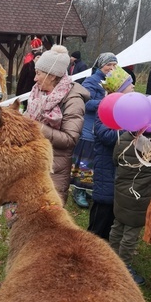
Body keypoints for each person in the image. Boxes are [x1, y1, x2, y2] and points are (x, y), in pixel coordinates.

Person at [25, 44, 89, 205]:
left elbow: (70, 138)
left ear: (52, 76)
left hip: (53, 171)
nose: (35, 78)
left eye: (38, 73)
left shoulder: (73, 100)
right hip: (31, 165)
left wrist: (38, 128)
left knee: (45, 222)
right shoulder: (37, 92)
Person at [87, 67, 135, 240]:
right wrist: (129, 130)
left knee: (113, 208)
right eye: (130, 84)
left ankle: (106, 244)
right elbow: (106, 135)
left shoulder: (127, 108)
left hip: (119, 167)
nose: (134, 87)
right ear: (120, 90)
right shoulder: (105, 108)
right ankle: (92, 243)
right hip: (106, 165)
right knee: (103, 208)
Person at [109, 131, 151, 286]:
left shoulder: (123, 137)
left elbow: (115, 159)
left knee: (117, 225)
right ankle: (123, 266)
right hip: (140, 196)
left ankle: (111, 256)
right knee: (131, 233)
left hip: (122, 190)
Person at [70, 52, 118, 208]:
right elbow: (86, 103)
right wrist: (107, 101)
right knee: (84, 161)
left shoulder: (113, 82)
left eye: (114, 65)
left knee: (94, 163)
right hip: (88, 130)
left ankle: (87, 188)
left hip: (101, 128)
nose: (111, 68)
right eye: (108, 64)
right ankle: (78, 190)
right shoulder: (91, 81)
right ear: (100, 65)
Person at [16, 37, 43, 111]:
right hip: (27, 91)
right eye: (37, 57)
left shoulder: (44, 67)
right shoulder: (28, 65)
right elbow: (21, 80)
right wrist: (18, 94)